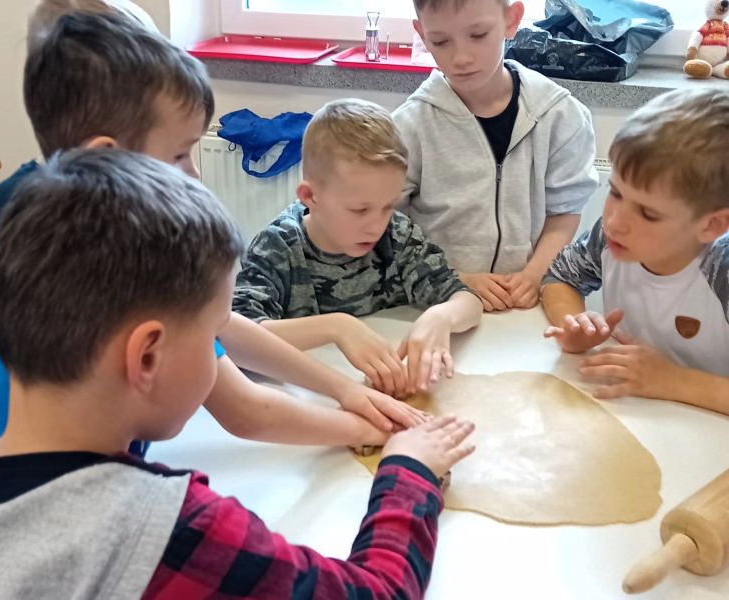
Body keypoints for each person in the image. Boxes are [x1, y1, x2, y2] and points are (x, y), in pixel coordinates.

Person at [0, 149, 477, 598]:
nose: (222, 345)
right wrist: (408, 473)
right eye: (215, 330)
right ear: (147, 358)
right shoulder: (169, 530)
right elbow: (375, 592)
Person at [0, 10, 420, 445]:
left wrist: (343, 389)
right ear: (107, 157)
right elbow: (245, 410)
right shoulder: (111, 268)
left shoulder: (80, 231)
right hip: (46, 487)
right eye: (180, 153)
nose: (194, 174)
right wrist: (375, 431)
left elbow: (226, 328)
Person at [234, 99, 483, 396]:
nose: (376, 225)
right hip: (308, 396)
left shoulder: (397, 234)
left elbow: (468, 301)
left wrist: (441, 317)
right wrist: (337, 327)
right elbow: (236, 338)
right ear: (310, 196)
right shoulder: (278, 247)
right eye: (359, 210)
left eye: (388, 206)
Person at [394, 0, 598, 312]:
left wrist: (533, 276)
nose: (461, 58)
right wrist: (450, 279)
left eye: (478, 35)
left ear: (511, 20)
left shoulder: (560, 116)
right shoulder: (407, 127)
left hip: (522, 307)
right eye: (441, 41)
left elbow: (563, 213)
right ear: (422, 34)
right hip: (436, 303)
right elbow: (389, 228)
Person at [541, 89, 729, 414]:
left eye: (648, 213)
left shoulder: (722, 271)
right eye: (615, 192)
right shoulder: (611, 236)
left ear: (711, 225)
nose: (615, 220)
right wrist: (574, 323)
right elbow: (560, 278)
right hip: (634, 414)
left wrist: (674, 381)